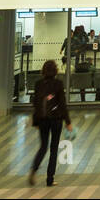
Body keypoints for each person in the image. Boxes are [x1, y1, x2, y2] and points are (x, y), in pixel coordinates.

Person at [29, 60, 72, 188]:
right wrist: (68, 122)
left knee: (43, 146)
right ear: (55, 71)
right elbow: (62, 104)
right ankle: (50, 179)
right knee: (53, 149)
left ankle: (34, 169)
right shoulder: (58, 84)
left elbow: (36, 103)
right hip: (56, 120)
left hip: (42, 119)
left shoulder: (38, 84)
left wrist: (36, 121)